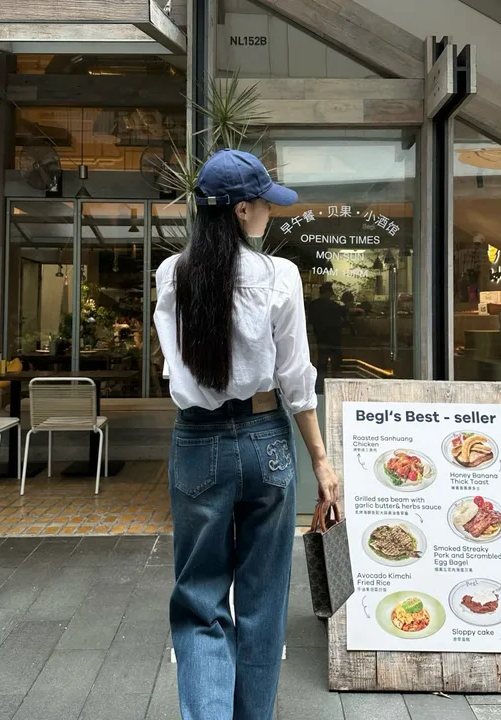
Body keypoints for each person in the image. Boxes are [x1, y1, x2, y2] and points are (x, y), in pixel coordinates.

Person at [154, 148, 339, 720]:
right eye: (264, 203)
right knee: (263, 598)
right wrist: (321, 461)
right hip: (265, 439)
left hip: (198, 441)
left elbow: (176, 369)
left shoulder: (172, 274)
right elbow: (297, 379)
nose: (269, 212)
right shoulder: (279, 276)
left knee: (200, 600)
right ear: (240, 209)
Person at [308, 282, 345, 393]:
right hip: (334, 339)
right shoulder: (334, 306)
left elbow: (310, 321)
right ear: (328, 293)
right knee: (335, 366)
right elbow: (343, 317)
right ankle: (336, 390)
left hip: (320, 338)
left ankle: (319, 390)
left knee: (321, 365)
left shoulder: (313, 305)